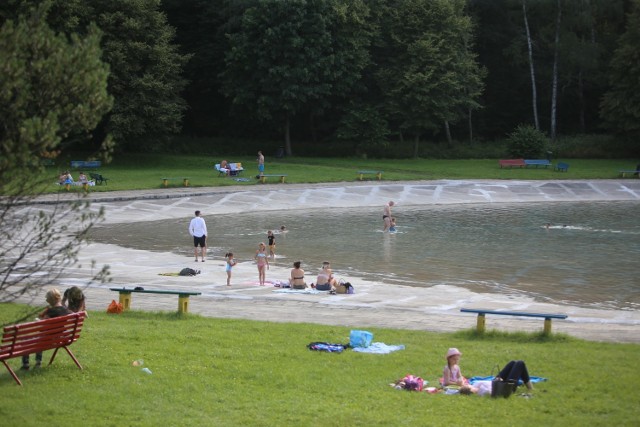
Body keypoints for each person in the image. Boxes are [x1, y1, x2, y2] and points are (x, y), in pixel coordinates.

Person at [21, 288, 72, 370]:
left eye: (47, 299)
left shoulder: (50, 311)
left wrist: (39, 319)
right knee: (40, 338)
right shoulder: (65, 310)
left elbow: (42, 326)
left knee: (25, 340)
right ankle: (38, 363)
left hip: (47, 339)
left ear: (50, 300)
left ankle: (26, 364)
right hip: (59, 338)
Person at [459, 360, 534, 396]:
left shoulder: (475, 384)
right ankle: (530, 388)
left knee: (513, 363)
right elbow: (494, 392)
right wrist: (498, 382)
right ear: (471, 390)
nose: (468, 384)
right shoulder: (483, 392)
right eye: (468, 386)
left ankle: (529, 386)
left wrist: (497, 380)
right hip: (506, 388)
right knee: (520, 363)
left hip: (497, 381)